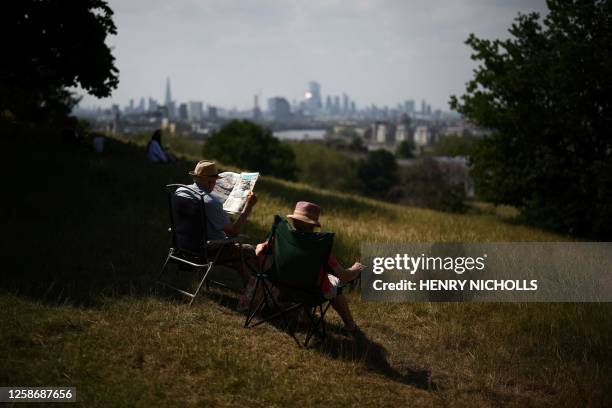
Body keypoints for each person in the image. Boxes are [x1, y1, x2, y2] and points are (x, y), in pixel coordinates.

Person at [255, 201, 365, 334]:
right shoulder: (319, 246)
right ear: (313, 225)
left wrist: (262, 248)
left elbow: (259, 250)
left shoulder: (282, 237)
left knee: (308, 275)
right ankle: (350, 326)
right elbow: (344, 276)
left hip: (280, 284)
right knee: (335, 285)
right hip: (310, 291)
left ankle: (306, 319)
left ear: (294, 220)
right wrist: (355, 269)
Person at [175, 160, 258, 287]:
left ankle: (251, 285)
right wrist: (248, 207)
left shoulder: (180, 191)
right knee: (254, 251)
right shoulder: (210, 203)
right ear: (210, 182)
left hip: (183, 245)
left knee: (234, 255)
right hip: (207, 250)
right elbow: (233, 232)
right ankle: (263, 286)